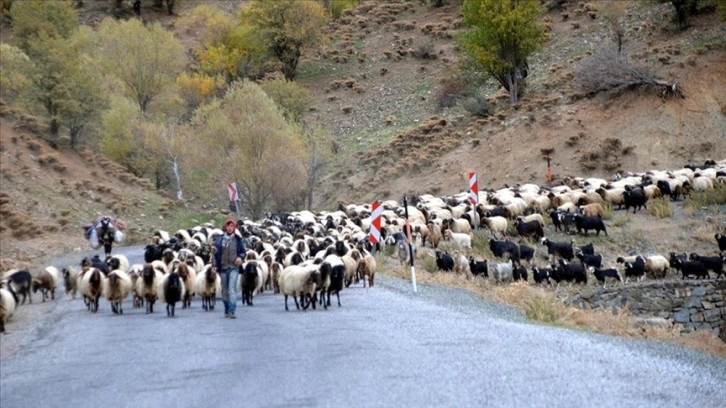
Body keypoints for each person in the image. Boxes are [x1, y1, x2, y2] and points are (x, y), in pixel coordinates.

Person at [213, 219, 246, 319]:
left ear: (234, 228)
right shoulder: (219, 240)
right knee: (224, 290)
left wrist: (240, 257)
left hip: (233, 267)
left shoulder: (238, 239)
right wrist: (214, 265)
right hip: (223, 267)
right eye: (228, 226)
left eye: (232, 226)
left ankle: (232, 310)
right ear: (225, 227)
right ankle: (226, 308)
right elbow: (214, 254)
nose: (230, 228)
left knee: (232, 289)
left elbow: (243, 251)